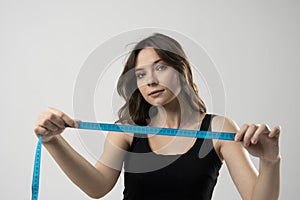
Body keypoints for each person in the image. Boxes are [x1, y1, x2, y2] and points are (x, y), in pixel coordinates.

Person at [34, 33, 281, 200]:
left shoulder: (218, 128)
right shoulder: (128, 130)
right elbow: (97, 186)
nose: (150, 80)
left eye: (160, 67)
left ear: (181, 69)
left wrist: (270, 161)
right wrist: (53, 142)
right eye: (140, 75)